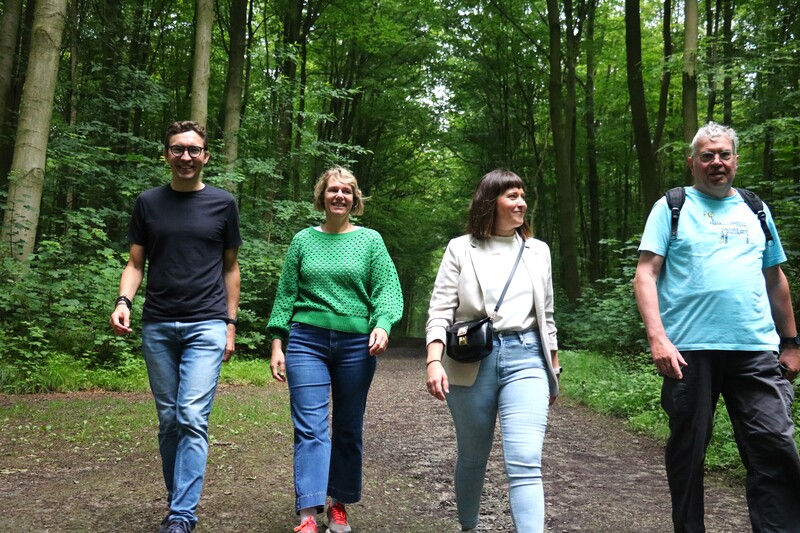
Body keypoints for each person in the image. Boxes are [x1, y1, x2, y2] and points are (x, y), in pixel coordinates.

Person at [633, 121, 800, 533]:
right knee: (688, 453)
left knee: (775, 446)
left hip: (755, 349)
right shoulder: (671, 206)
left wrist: (792, 342)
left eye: (724, 154)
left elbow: (775, 278)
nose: (717, 162)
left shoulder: (755, 209)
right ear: (693, 163)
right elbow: (645, 274)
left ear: (736, 160)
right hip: (689, 352)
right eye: (707, 156)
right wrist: (658, 338)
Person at [109, 121, 242, 533]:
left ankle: (182, 515)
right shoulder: (147, 203)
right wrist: (123, 302)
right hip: (159, 326)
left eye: (194, 150)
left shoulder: (224, 204)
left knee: (191, 415)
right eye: (178, 149)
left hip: (207, 323)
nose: (186, 156)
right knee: (169, 419)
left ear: (206, 156)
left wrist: (230, 325)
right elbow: (135, 263)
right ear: (165, 154)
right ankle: (177, 500)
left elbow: (231, 268)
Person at [267, 166, 403, 533]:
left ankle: (338, 504)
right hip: (306, 341)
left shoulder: (371, 241)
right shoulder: (302, 241)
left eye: (346, 191)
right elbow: (285, 296)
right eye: (332, 190)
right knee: (310, 428)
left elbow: (386, 290)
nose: (339, 196)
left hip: (357, 344)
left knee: (347, 426)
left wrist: (382, 324)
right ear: (322, 197)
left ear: (354, 198)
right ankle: (308, 513)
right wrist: (278, 342)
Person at [425, 169, 561, 533]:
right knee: (473, 457)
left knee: (525, 460)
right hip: (471, 360)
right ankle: (469, 526)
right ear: (491, 202)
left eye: (522, 195)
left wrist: (553, 368)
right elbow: (439, 311)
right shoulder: (460, 248)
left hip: (527, 357)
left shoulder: (538, 251)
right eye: (512, 196)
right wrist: (433, 361)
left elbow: (546, 315)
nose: (521, 203)